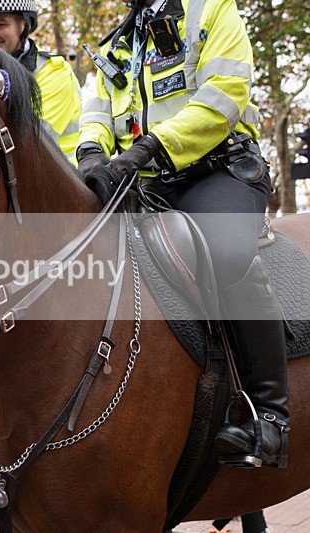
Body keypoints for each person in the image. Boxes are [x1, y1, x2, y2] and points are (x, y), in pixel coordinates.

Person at [78, 0, 289, 467]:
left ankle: (271, 417)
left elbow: (224, 96)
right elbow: (93, 112)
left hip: (219, 170)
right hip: (148, 183)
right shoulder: (116, 46)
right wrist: (92, 153)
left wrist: (149, 148)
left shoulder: (211, 9)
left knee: (226, 252)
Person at [0, 0, 83, 165]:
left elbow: (30, 143)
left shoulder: (54, 72)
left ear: (26, 24)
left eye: (0, 24)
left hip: (61, 180)